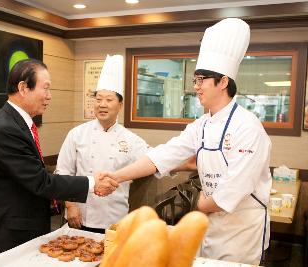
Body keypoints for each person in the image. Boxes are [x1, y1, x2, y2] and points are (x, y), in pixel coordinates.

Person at [101, 18, 272, 265]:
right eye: (195, 80)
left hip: (241, 230)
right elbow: (163, 155)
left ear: (223, 82)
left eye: (201, 80)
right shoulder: (202, 125)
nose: (196, 87)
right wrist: (117, 176)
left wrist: (194, 207)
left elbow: (231, 193)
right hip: (208, 224)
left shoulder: (248, 128)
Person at [0, 59, 118, 263]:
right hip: (7, 235)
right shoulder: (6, 129)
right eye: (46, 88)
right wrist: (93, 183)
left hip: (23, 228)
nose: (49, 96)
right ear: (23, 88)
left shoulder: (19, 123)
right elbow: (41, 182)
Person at [55, 55, 149, 233]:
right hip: (80, 216)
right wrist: (70, 206)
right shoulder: (77, 134)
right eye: (98, 99)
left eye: (109, 100)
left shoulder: (131, 139)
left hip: (114, 220)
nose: (102, 105)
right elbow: (63, 173)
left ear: (120, 105)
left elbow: (153, 160)